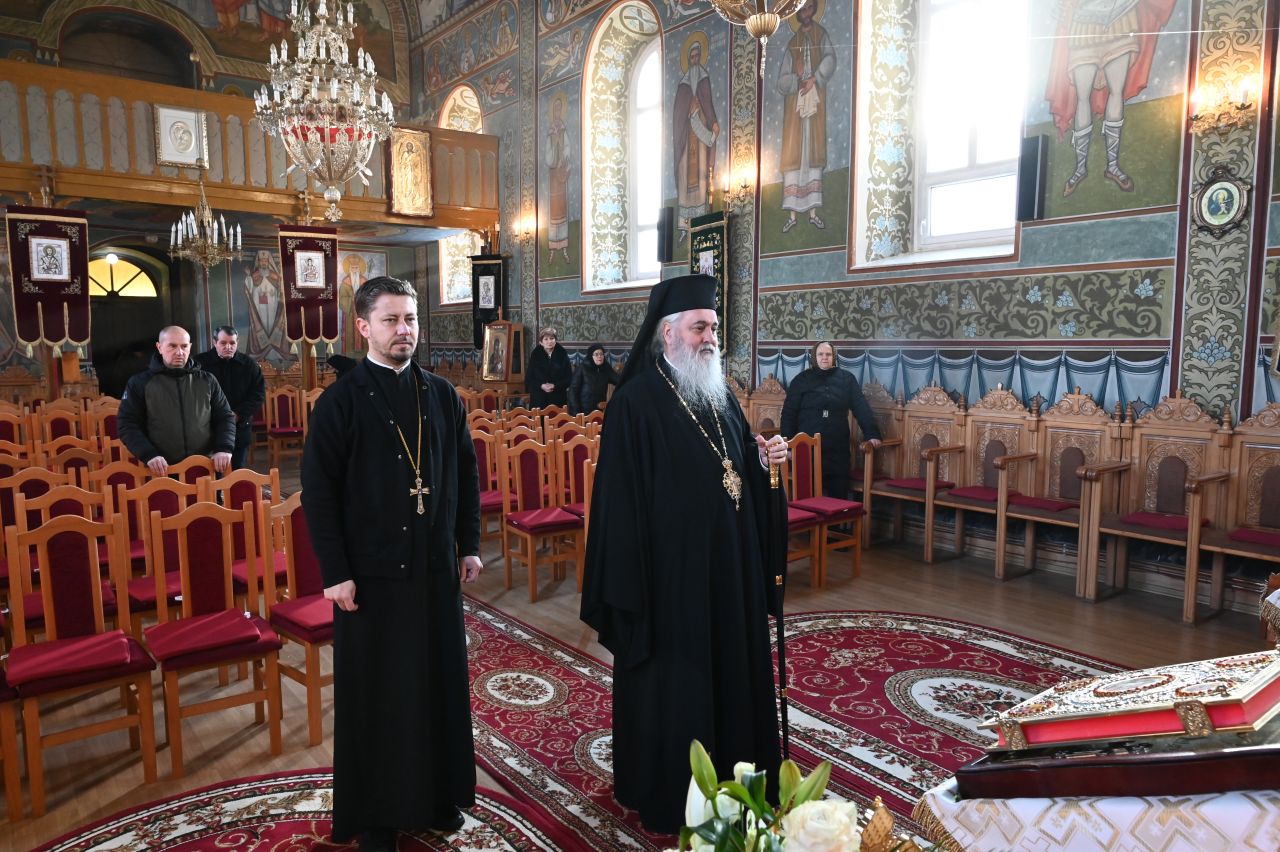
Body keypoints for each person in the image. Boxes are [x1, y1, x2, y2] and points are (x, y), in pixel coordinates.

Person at [581, 274, 786, 833]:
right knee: (680, 687)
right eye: (699, 328)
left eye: (714, 328)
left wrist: (764, 462)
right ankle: (673, 792)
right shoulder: (635, 403)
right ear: (668, 333)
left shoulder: (720, 394)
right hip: (670, 584)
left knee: (732, 672)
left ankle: (739, 778)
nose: (710, 339)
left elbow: (736, 467)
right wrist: (637, 586)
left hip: (730, 572)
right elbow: (618, 506)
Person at [301, 276, 482, 851]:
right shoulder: (340, 402)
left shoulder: (443, 396)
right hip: (370, 580)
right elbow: (319, 494)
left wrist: (468, 543)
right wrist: (334, 573)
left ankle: (437, 797)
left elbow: (466, 476)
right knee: (379, 698)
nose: (405, 330)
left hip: (434, 572)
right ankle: (377, 816)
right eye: (391, 320)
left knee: (435, 686)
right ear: (363, 327)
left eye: (410, 319)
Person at [1046, 0, 1175, 196]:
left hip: (1119, 19)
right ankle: (1080, 168)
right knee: (1082, 98)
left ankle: (1113, 166)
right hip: (1084, 27)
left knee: (1116, 92)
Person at [117, 326, 236, 477]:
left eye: (184, 346)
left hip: (204, 466)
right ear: (159, 347)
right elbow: (127, 424)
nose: (179, 352)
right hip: (161, 468)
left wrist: (224, 447)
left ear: (190, 347)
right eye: (172, 346)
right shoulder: (140, 383)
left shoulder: (207, 380)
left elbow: (225, 417)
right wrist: (149, 454)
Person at [780, 341, 882, 499]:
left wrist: (872, 434)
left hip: (837, 447)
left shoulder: (847, 379)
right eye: (820, 354)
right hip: (807, 447)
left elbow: (860, 407)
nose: (824, 358)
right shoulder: (801, 380)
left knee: (838, 495)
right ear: (814, 357)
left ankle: (836, 516)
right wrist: (788, 446)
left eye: (828, 354)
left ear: (834, 357)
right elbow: (789, 414)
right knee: (807, 497)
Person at [778, 1, 836, 233]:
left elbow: (830, 59)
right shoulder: (792, 44)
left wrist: (815, 78)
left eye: (809, 7)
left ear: (814, 9)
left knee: (812, 154)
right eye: (802, 9)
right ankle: (792, 216)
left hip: (814, 107)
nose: (806, 13)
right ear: (797, 14)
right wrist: (797, 79)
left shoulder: (821, 35)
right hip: (796, 111)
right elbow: (782, 81)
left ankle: (813, 213)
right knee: (794, 156)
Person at [195, 325, 266, 471]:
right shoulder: (199, 364)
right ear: (215, 342)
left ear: (237, 342)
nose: (228, 347)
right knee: (210, 474)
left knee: (237, 471)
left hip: (239, 426)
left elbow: (258, 395)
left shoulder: (249, 365)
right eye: (223, 343)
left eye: (232, 343)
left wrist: (237, 414)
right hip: (207, 429)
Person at [673, 35, 720, 234]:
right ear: (688, 59)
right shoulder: (683, 85)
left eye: (696, 56)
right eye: (691, 57)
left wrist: (713, 121)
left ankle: (700, 222)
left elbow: (708, 104)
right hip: (686, 136)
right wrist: (687, 112)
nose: (694, 60)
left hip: (700, 136)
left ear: (700, 57)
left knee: (701, 174)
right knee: (685, 175)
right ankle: (685, 226)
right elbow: (677, 113)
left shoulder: (704, 78)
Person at [525, 327, 571, 407]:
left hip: (558, 398)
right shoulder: (535, 354)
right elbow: (529, 379)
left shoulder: (562, 353)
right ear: (541, 342)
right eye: (546, 339)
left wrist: (555, 385)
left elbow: (569, 378)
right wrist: (541, 385)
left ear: (555, 340)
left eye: (552, 338)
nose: (549, 341)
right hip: (539, 399)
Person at [568, 343, 617, 415]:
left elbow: (618, 380)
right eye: (596, 354)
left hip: (600, 410)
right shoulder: (582, 368)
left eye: (601, 354)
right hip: (582, 411)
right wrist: (577, 413)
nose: (599, 356)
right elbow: (572, 392)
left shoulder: (606, 368)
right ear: (591, 356)